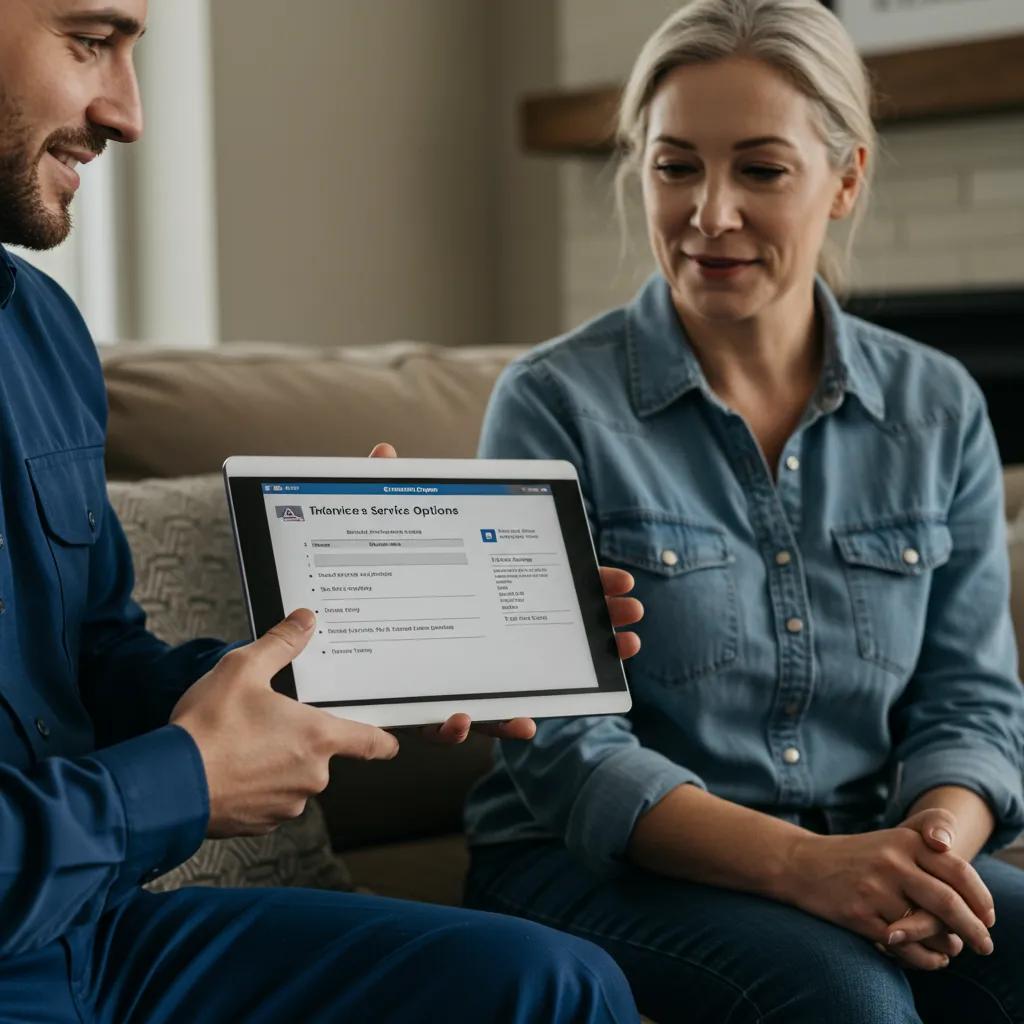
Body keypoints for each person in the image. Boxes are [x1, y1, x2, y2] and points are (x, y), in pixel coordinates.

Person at [0, 2, 646, 1021]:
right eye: (88, 43)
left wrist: (361, 665)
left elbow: (92, 656)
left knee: (553, 986)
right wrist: (178, 783)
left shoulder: (39, 330)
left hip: (98, 937)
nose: (128, 112)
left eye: (132, 53)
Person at [462, 1, 1024, 1021]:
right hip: (586, 864)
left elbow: (971, 705)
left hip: (864, 841)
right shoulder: (551, 403)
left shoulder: (938, 406)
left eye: (759, 170)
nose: (707, 213)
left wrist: (923, 854)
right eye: (675, 166)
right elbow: (561, 746)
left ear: (844, 180)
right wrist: (808, 867)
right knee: (844, 993)